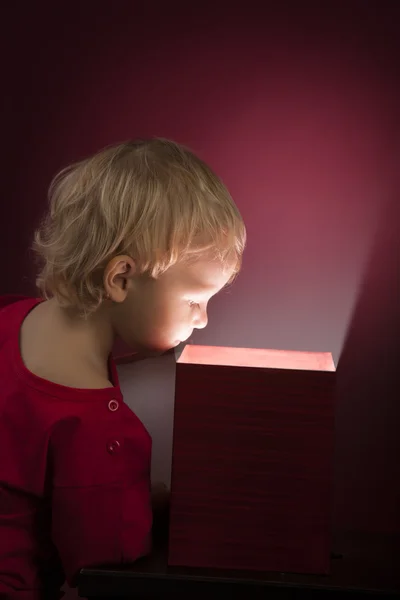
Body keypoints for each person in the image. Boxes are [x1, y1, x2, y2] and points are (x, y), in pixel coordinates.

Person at [0, 138, 246, 599]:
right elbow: (104, 555)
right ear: (121, 279)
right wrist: (145, 496)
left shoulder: (11, 319)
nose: (204, 318)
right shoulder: (98, 429)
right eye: (194, 299)